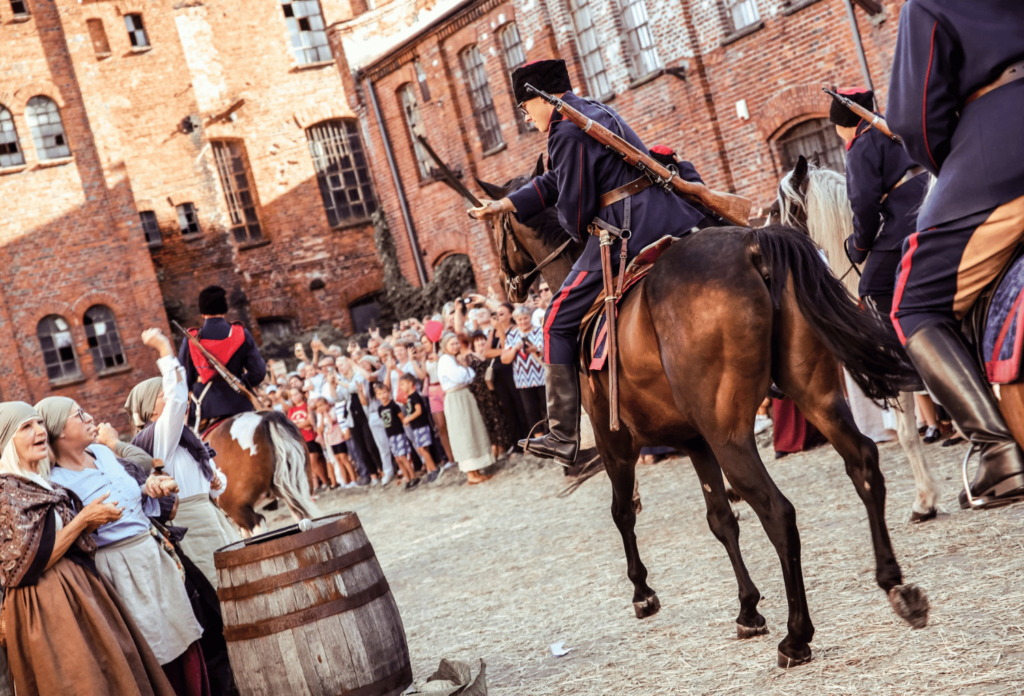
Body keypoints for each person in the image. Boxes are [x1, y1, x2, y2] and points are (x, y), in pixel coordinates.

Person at [470, 59, 706, 464]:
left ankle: (562, 434)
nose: (525, 117)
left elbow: (574, 210)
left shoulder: (564, 130)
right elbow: (555, 179)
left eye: (525, 107)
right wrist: (505, 205)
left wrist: (571, 226)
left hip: (625, 230)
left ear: (541, 98)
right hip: (665, 215)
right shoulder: (592, 109)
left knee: (554, 322)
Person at [887, 0, 1024, 508]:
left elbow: (915, 121)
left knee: (912, 304)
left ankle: (998, 452)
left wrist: (960, 161)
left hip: (1000, 150)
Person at [37, 397, 210, 695]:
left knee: (181, 634)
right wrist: (87, 522)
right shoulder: (55, 482)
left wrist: (149, 488)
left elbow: (130, 498)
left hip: (152, 555)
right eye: (79, 415)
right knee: (149, 649)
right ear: (59, 430)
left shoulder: (103, 453)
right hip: (115, 568)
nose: (90, 417)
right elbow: (67, 536)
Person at [0, 402, 175, 696]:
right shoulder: (6, 491)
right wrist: (83, 519)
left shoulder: (38, 482)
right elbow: (23, 565)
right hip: (45, 603)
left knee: (113, 671)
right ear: (7, 441)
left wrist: (92, 520)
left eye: (39, 424)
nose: (39, 431)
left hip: (78, 588)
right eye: (26, 427)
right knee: (80, 680)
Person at [126, 328, 239, 589]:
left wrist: (216, 481)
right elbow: (177, 399)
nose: (173, 399)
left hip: (211, 516)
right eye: (163, 395)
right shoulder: (156, 439)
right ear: (149, 409)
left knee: (241, 577)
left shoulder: (187, 440)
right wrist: (164, 349)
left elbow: (216, 486)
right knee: (221, 587)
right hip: (192, 525)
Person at [178, 285, 266, 429]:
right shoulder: (241, 334)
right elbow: (259, 373)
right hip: (240, 403)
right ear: (225, 309)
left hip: (206, 408)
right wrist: (237, 383)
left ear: (202, 313)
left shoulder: (191, 340)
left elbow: (183, 380)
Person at [438, 333, 495, 483]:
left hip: (464, 394)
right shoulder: (445, 360)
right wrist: (463, 367)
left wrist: (463, 367)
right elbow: (459, 378)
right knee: (463, 432)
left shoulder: (454, 359)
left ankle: (476, 470)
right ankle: (471, 474)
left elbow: (471, 377)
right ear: (445, 346)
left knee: (472, 429)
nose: (455, 346)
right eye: (452, 344)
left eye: (456, 343)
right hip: (455, 397)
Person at [502, 305, 548, 436]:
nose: (523, 322)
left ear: (530, 317)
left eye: (525, 318)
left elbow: (549, 352)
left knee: (547, 408)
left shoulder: (540, 331)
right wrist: (514, 349)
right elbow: (505, 359)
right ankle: (538, 439)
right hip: (523, 380)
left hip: (542, 377)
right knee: (531, 411)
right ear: (515, 320)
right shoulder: (512, 335)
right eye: (520, 319)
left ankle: (553, 436)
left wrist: (536, 350)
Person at [466, 331, 513, 456]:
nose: (480, 342)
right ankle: (494, 445)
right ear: (473, 343)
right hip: (480, 393)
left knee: (498, 416)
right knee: (487, 419)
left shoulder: (490, 355)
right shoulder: (470, 357)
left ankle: (503, 445)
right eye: (477, 340)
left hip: (493, 390)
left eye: (482, 339)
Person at [398, 373, 441, 483]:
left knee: (421, 449)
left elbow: (418, 411)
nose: (401, 387)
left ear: (410, 383)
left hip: (421, 426)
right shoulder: (409, 398)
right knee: (423, 449)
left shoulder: (415, 396)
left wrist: (408, 419)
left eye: (403, 384)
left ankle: (434, 469)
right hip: (416, 427)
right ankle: (430, 470)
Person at [288, 386, 330, 492]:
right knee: (312, 463)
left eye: (296, 394)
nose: (294, 397)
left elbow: (311, 422)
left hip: (311, 437)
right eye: (292, 395)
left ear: (301, 394)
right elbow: (290, 425)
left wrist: (298, 425)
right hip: (300, 439)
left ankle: (325, 481)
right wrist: (303, 424)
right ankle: (321, 482)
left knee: (314, 462)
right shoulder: (291, 410)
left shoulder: (307, 406)